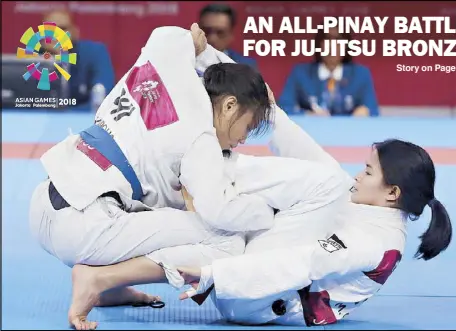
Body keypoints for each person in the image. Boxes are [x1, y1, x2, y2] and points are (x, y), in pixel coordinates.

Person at [29, 24, 274, 328]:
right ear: (229, 104)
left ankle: (111, 289)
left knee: (159, 203)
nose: (243, 140)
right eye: (248, 127)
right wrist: (269, 213)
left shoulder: (166, 61)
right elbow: (220, 212)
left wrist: (211, 57)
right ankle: (98, 278)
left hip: (43, 203)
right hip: (82, 228)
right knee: (228, 240)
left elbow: (173, 35)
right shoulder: (202, 138)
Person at [177, 104, 453, 326]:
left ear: (392, 192)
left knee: (328, 182)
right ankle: (213, 176)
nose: (359, 175)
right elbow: (315, 158)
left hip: (259, 300)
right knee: (327, 179)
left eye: (368, 172)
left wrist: (213, 275)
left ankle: (215, 168)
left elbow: (305, 261)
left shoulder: (375, 243)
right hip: (255, 289)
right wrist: (271, 110)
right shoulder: (376, 212)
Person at [278, 23, 379, 117]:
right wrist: (308, 115)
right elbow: (284, 108)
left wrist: (364, 112)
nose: (332, 45)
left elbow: (373, 111)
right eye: (327, 39)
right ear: (318, 44)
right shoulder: (300, 73)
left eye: (338, 39)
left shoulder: (361, 74)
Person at [40, 9, 115, 110]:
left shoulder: (94, 52)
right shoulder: (30, 58)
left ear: (75, 32)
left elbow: (104, 96)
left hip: (83, 120)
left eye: (62, 29)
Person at [199, 3, 258, 69]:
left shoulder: (246, 67)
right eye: (206, 31)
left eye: (220, 32)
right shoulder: (187, 61)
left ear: (231, 34)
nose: (212, 39)